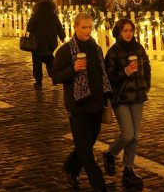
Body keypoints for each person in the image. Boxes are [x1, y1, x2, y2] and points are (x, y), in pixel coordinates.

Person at [52, 13, 112, 192]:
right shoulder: (65, 51)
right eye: (84, 27)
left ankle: (71, 168)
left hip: (95, 105)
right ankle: (98, 184)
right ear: (75, 28)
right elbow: (55, 76)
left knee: (88, 142)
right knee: (85, 149)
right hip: (77, 106)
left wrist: (106, 96)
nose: (87, 31)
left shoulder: (96, 48)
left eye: (90, 27)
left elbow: (102, 74)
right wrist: (73, 69)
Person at [103, 18, 151, 189]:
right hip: (121, 97)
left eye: (130, 30)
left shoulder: (139, 48)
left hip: (137, 96)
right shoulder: (113, 52)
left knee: (135, 137)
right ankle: (110, 153)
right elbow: (109, 77)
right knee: (127, 134)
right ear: (119, 32)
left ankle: (128, 168)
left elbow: (147, 66)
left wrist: (146, 85)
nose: (128, 33)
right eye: (125, 30)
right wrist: (125, 71)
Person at [25, 0, 66, 89]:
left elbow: (30, 28)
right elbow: (59, 26)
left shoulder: (35, 16)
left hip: (37, 45)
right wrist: (62, 36)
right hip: (50, 44)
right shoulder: (53, 15)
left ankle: (38, 82)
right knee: (50, 62)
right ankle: (54, 77)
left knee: (37, 65)